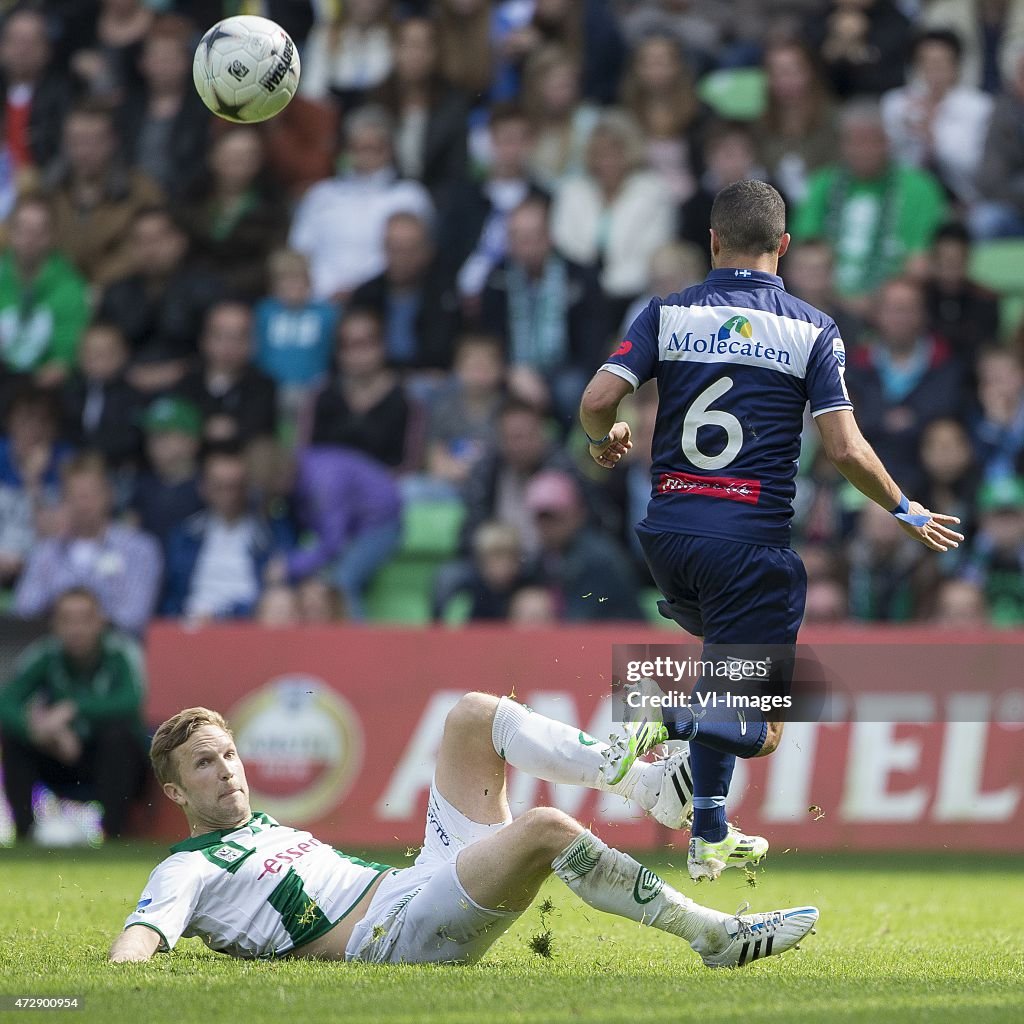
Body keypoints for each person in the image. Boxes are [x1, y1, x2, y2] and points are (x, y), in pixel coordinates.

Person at [578, 179, 963, 882]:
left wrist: (606, 441)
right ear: (783, 246)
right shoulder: (813, 328)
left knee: (729, 683)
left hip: (668, 539)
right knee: (763, 728)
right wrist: (905, 508)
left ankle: (710, 832)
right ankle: (661, 718)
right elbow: (844, 449)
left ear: (714, 241)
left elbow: (598, 400)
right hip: (748, 547)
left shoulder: (667, 312)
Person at [107, 698, 818, 966]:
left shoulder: (262, 826)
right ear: (174, 792)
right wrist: (110, 981)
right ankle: (712, 935)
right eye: (205, 765)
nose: (227, 771)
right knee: (543, 828)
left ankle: (646, 786)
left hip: (407, 885)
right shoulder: (186, 869)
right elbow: (140, 940)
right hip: (382, 939)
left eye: (228, 753)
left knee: (469, 715)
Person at [0, 586, 148, 842]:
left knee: (118, 737)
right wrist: (40, 732)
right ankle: (25, 833)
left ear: (100, 622)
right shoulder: (46, 654)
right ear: (55, 625)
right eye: (67, 620)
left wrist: (73, 708)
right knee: (14, 738)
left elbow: (130, 701)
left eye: (84, 620)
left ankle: (113, 833)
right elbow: (7, 702)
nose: (76, 629)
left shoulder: (121, 653)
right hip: (59, 753)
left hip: (111, 762)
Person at [791, 101, 947, 309]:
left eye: (870, 141)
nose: (863, 150)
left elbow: (919, 263)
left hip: (888, 305)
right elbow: (804, 252)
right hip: (827, 301)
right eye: (854, 142)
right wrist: (841, 300)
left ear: (887, 142)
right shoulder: (822, 185)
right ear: (841, 145)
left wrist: (874, 302)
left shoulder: (919, 188)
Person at [15, 452, 162, 636]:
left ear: (109, 495)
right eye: (75, 496)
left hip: (115, 651)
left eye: (90, 494)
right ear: (63, 499)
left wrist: (80, 625)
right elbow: (24, 609)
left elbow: (133, 617)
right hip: (54, 645)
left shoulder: (140, 548)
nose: (83, 504)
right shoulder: (46, 551)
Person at [162, 446, 291, 622]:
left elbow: (272, 594)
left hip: (247, 626)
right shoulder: (185, 535)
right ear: (204, 488)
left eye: (234, 487)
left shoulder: (270, 535)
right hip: (191, 625)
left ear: (246, 488)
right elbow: (171, 594)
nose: (229, 496)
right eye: (220, 487)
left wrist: (221, 616)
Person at [880, 29, 993, 205]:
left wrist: (933, 138)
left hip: (962, 197)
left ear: (956, 65)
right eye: (925, 62)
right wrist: (903, 130)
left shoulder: (978, 106)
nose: (933, 70)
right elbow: (887, 160)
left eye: (940, 63)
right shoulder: (896, 102)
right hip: (906, 196)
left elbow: (974, 168)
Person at [0, 195, 89, 384]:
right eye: (22, 229)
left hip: (45, 387)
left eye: (38, 231)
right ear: (10, 231)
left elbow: (65, 356)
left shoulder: (71, 286)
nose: (29, 238)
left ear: (51, 236)